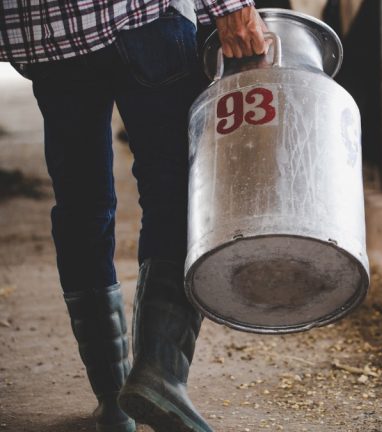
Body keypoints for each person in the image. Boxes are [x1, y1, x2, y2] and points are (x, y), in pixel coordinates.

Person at [0, 1, 271, 431]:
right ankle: (160, 375)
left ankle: (114, 400)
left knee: (81, 206)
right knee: (176, 191)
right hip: (143, 17)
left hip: (49, 35)